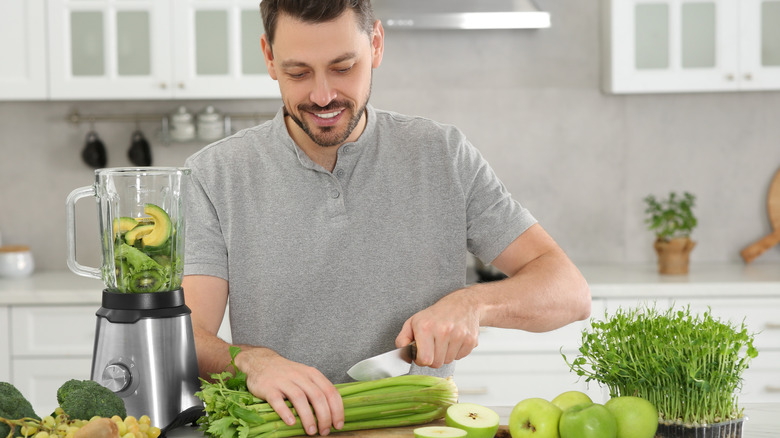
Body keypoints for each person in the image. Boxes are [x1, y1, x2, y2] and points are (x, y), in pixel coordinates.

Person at [181, 0, 591, 436]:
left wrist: (474, 303)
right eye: (298, 73)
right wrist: (249, 361)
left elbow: (570, 290)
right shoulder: (214, 175)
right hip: (279, 430)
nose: (322, 96)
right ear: (268, 57)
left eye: (343, 67)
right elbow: (188, 333)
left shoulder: (441, 155)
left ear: (375, 45)